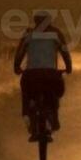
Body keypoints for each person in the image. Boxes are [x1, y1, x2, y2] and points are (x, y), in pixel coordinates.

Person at [12, 12, 72, 141]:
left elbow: (19, 54)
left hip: (31, 75)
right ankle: (54, 117)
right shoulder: (56, 34)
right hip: (51, 74)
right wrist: (68, 67)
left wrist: (17, 67)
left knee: (26, 94)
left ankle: (27, 114)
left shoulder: (28, 34)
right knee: (56, 93)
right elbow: (65, 52)